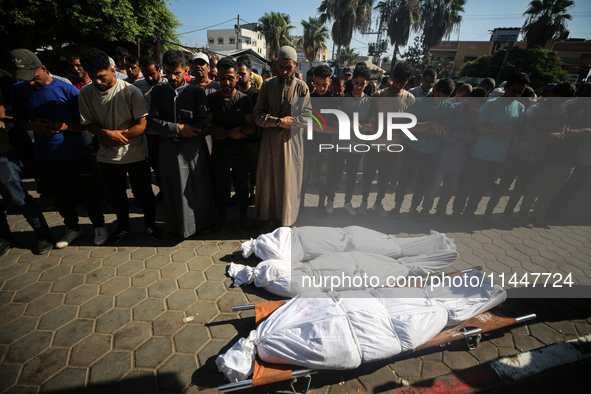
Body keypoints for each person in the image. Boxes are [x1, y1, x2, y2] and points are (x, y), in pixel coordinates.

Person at [10, 48, 108, 249]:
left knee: (88, 193)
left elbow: (85, 123)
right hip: (45, 155)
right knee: (59, 195)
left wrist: (62, 127)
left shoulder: (68, 90)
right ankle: (72, 227)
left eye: (34, 77)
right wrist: (33, 126)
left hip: (75, 152)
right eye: (25, 79)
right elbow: (19, 120)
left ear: (44, 69)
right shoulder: (19, 90)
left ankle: (99, 225)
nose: (30, 82)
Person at [78, 48, 162, 244]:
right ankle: (123, 227)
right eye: (92, 77)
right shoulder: (86, 92)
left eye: (101, 76)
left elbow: (142, 125)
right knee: (116, 195)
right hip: (106, 155)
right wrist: (104, 134)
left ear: (112, 70)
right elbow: (87, 122)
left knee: (144, 194)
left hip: (135, 153)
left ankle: (151, 225)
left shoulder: (130, 91)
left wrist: (114, 137)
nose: (97, 82)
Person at [483, 82, 575, 226]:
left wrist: (542, 136)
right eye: (559, 99)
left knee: (520, 188)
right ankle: (487, 213)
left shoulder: (562, 112)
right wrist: (549, 136)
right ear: (552, 95)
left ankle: (507, 214)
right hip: (518, 154)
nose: (560, 103)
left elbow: (560, 136)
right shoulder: (535, 110)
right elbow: (527, 136)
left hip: (537, 157)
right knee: (504, 185)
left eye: (563, 101)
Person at [148, 50, 215, 238]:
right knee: (170, 188)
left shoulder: (196, 92)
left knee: (197, 187)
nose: (172, 77)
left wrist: (176, 131)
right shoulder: (158, 92)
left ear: (185, 69)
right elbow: (153, 122)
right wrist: (178, 128)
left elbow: (202, 124)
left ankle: (202, 224)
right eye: (168, 72)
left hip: (192, 148)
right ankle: (174, 226)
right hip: (168, 150)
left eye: (176, 73)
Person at [452, 72, 529, 223]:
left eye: (520, 92)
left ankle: (470, 211)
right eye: (514, 90)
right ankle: (456, 211)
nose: (517, 94)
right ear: (506, 87)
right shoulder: (490, 104)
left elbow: (519, 130)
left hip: (499, 158)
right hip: (478, 154)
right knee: (466, 185)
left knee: (481, 188)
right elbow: (477, 127)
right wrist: (498, 130)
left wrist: (510, 133)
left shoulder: (520, 108)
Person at [517, 82, 588, 228]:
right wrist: (585, 131)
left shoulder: (583, 109)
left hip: (571, 158)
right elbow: (562, 133)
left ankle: (538, 216)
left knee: (552, 191)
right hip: (554, 155)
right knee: (537, 187)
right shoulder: (566, 108)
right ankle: (522, 215)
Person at [254, 46, 309, 232]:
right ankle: (267, 217)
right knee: (268, 180)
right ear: (276, 63)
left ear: (296, 65)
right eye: (281, 66)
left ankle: (287, 218)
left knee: (289, 181)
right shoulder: (267, 85)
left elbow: (307, 117)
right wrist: (278, 121)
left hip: (291, 144)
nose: (284, 71)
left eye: (289, 67)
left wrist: (289, 122)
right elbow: (258, 116)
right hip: (269, 142)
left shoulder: (302, 88)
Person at [1, 63, 53, 255]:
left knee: (16, 194)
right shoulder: (16, 86)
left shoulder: (3, 79)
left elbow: (9, 114)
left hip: (2, 150)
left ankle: (42, 233)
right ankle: (4, 236)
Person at [392, 78, 455, 221]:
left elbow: (446, 129)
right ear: (435, 91)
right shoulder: (419, 103)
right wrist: (431, 125)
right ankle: (396, 206)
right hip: (413, 147)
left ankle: (414, 207)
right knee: (404, 178)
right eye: (439, 97)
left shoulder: (448, 107)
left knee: (422, 182)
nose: (440, 101)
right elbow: (409, 126)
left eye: (444, 98)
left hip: (432, 151)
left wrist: (423, 127)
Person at [420, 88, 488, 220]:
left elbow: (474, 138)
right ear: (469, 99)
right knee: (434, 185)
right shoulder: (453, 109)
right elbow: (444, 134)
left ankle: (441, 210)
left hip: (460, 157)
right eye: (474, 105)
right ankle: (425, 209)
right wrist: (462, 133)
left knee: (450, 188)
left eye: (478, 107)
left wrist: (470, 136)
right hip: (444, 154)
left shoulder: (478, 115)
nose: (474, 109)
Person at [358, 62, 415, 215]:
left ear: (407, 81)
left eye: (402, 83)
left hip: (393, 147)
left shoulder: (410, 99)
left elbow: (408, 124)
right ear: (391, 77)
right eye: (396, 81)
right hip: (374, 145)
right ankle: (363, 203)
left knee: (385, 178)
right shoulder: (378, 96)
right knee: (369, 176)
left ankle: (378, 203)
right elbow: (370, 122)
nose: (398, 85)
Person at [208, 57, 256, 230]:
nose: (226, 82)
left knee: (242, 185)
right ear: (217, 78)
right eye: (222, 78)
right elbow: (206, 127)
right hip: (220, 151)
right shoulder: (212, 100)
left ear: (236, 76)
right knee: (220, 185)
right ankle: (221, 216)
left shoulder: (244, 100)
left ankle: (243, 215)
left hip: (239, 152)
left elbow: (251, 128)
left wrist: (230, 132)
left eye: (230, 77)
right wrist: (230, 133)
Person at [326, 64, 372, 216]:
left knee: (351, 177)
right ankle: (330, 201)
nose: (359, 86)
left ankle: (347, 202)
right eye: (357, 82)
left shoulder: (370, 102)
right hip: (340, 145)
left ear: (367, 83)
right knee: (334, 173)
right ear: (352, 82)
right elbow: (333, 121)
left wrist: (359, 125)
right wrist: (350, 123)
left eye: (362, 83)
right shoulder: (342, 99)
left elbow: (373, 125)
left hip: (357, 146)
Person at [134, 56, 167, 194]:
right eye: (145, 74)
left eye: (152, 73)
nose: (149, 77)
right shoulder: (137, 87)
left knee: (167, 166)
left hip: (165, 134)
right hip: (148, 134)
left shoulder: (168, 85)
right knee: (155, 165)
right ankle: (162, 191)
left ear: (159, 70)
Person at [236, 55, 260, 204]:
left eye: (243, 73)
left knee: (255, 171)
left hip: (254, 141)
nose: (240, 76)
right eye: (237, 73)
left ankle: (254, 193)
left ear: (250, 75)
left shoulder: (257, 95)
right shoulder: (232, 94)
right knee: (240, 172)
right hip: (237, 140)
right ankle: (241, 195)